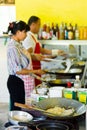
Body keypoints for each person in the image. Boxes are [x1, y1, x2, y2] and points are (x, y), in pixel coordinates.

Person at [7, 21, 44, 110]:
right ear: (18, 32)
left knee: (22, 108)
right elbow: (18, 70)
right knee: (18, 109)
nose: (26, 35)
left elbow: (24, 64)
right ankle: (14, 123)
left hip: (21, 81)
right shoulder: (13, 47)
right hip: (16, 81)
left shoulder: (19, 45)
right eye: (25, 32)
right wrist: (36, 71)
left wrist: (36, 76)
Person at [22, 16, 66, 86]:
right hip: (33, 69)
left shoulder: (33, 36)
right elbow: (28, 56)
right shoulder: (28, 37)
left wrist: (55, 52)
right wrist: (45, 58)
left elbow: (41, 50)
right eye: (39, 24)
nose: (40, 27)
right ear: (33, 24)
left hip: (37, 67)